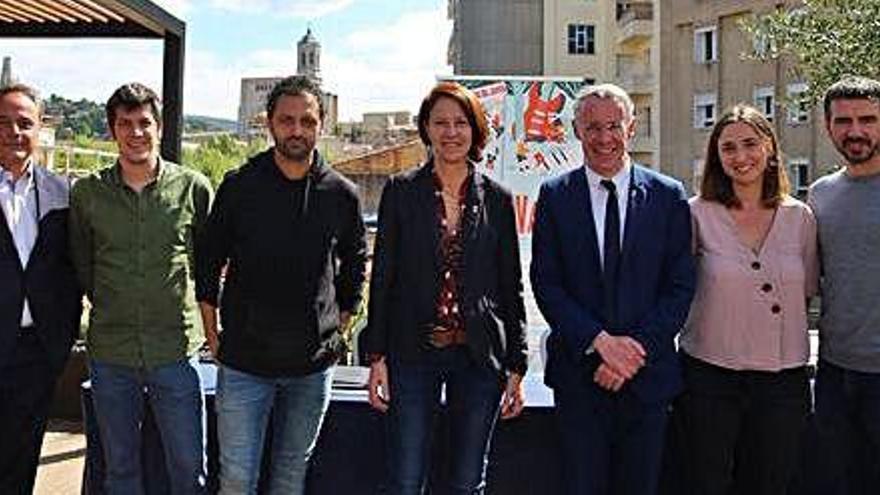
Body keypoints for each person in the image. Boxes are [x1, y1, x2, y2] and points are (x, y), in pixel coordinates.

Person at [196, 75, 367, 495]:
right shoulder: (240, 185)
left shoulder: (341, 193)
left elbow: (356, 263)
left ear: (321, 126)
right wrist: (211, 333)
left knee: (291, 478)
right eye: (287, 120)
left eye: (307, 121)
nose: (297, 130)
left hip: (312, 369)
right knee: (237, 479)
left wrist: (341, 328)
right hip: (244, 365)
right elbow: (209, 259)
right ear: (269, 124)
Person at [362, 81, 528, 495]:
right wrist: (377, 355)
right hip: (412, 353)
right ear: (426, 129)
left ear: (474, 129)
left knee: (467, 480)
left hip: (479, 357)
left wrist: (517, 364)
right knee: (404, 479)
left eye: (460, 122)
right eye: (441, 123)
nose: (451, 132)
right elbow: (383, 277)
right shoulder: (401, 192)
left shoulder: (498, 199)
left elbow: (511, 285)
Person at [530, 83, 695, 495]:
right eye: (592, 128)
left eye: (614, 126)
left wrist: (631, 353)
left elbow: (680, 287)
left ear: (631, 128)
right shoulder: (554, 196)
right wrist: (601, 343)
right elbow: (547, 284)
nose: (604, 138)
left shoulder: (668, 196)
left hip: (648, 379)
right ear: (576, 131)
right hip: (579, 380)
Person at [69, 83, 211, 494]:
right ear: (112, 130)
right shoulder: (87, 193)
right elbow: (82, 264)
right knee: (120, 471)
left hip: (176, 352)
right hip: (111, 354)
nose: (136, 133)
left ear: (160, 128)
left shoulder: (193, 188)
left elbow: (206, 265)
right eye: (124, 124)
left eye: (144, 123)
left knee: (189, 471)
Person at [678, 104, 817, 495]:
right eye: (729, 148)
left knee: (772, 482)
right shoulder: (694, 214)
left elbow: (804, 290)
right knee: (707, 483)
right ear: (716, 157)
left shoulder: (800, 217)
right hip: (710, 375)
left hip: (781, 382)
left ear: (770, 147)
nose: (741, 157)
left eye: (751, 144)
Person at [0, 84, 81, 494]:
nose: (14, 131)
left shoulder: (61, 192)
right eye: (4, 122)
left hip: (36, 351)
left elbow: (72, 269)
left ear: (39, 129)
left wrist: (60, 337)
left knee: (22, 456)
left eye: (24, 123)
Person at [809, 75, 880, 494]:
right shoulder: (820, 195)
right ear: (827, 125)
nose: (856, 131)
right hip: (835, 373)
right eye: (844, 120)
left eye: (869, 119)